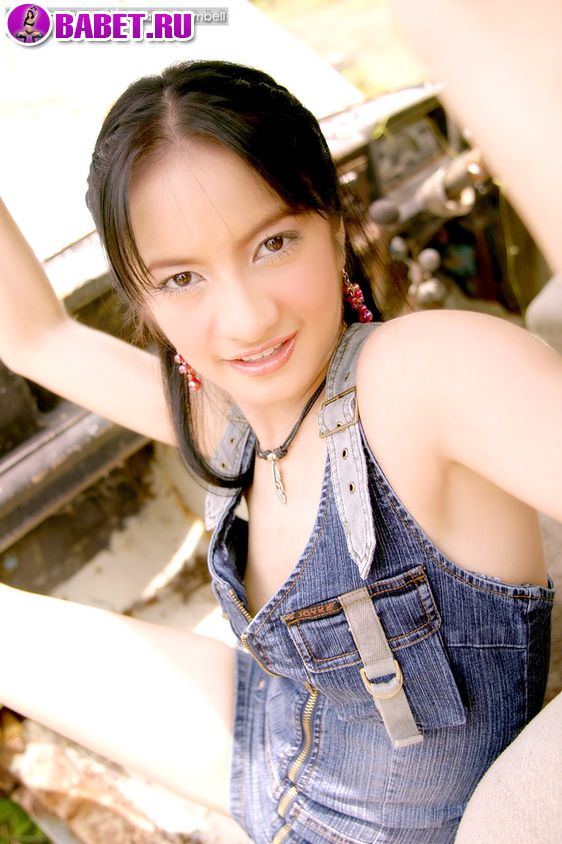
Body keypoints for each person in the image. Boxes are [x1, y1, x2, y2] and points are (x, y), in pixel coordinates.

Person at [0, 16, 561, 844]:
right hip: (276, 747)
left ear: (334, 225)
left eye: (272, 243)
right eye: (181, 279)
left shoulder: (425, 376)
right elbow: (34, 338)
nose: (246, 318)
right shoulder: (231, 421)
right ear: (142, 302)